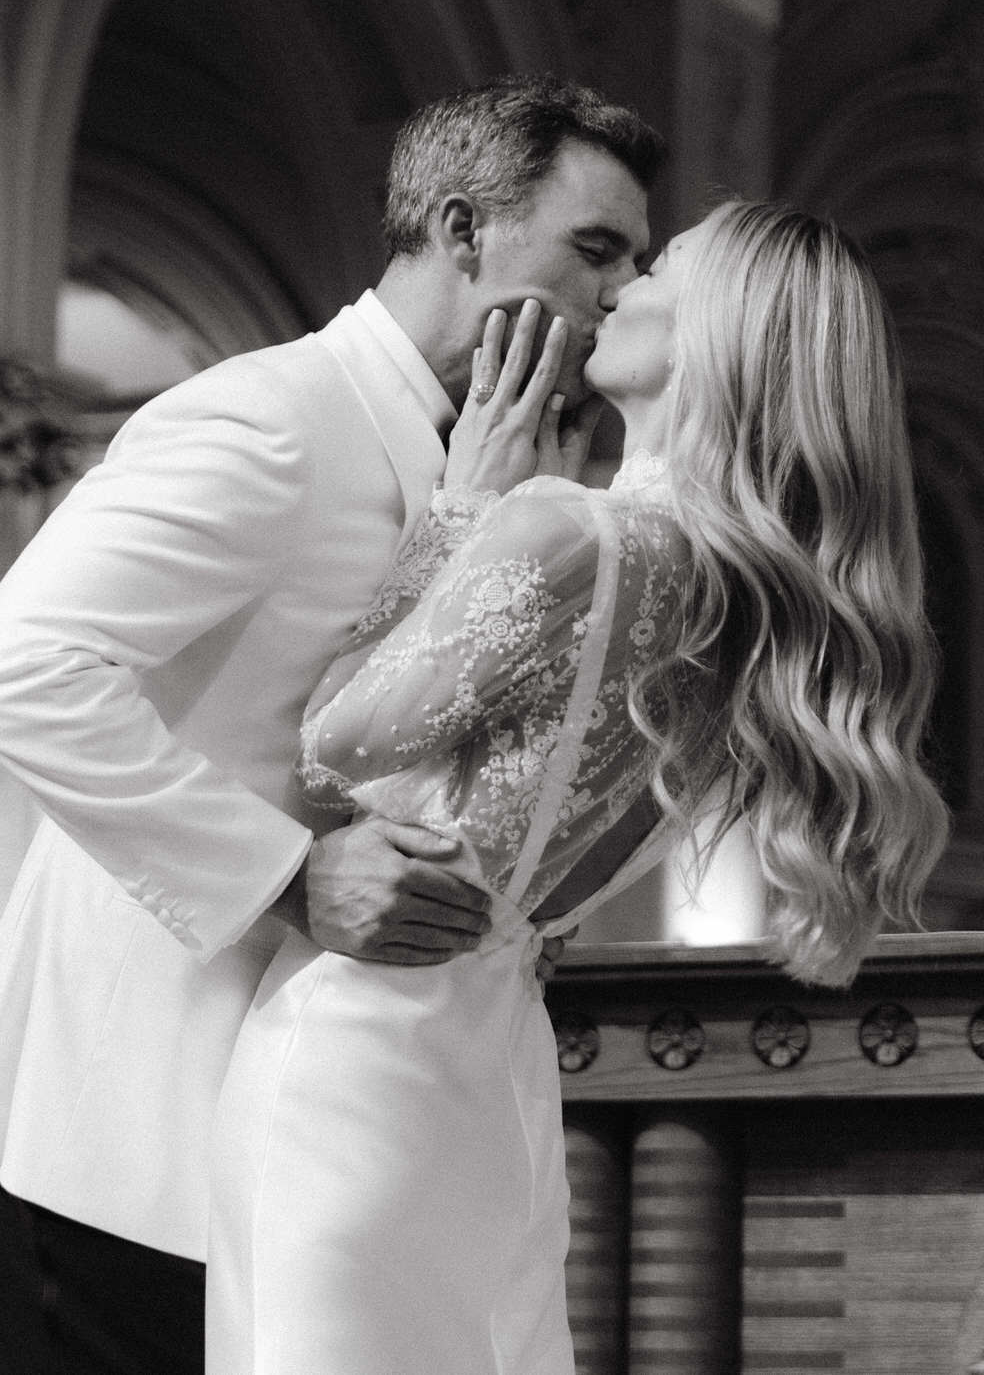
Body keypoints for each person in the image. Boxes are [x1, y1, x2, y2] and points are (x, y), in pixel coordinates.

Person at [0, 76, 664, 1375]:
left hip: (293, 1132)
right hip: (105, 1135)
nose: (616, 292)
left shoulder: (515, 468)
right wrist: (289, 875)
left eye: (636, 264)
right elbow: (19, 672)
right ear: (461, 228)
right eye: (593, 250)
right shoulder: (270, 419)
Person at [205, 199, 949, 1374]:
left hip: (360, 1044)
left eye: (657, 267)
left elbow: (334, 742)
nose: (619, 287)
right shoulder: (743, 610)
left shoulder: (568, 529)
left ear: (716, 337)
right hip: (498, 1056)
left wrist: (458, 510)